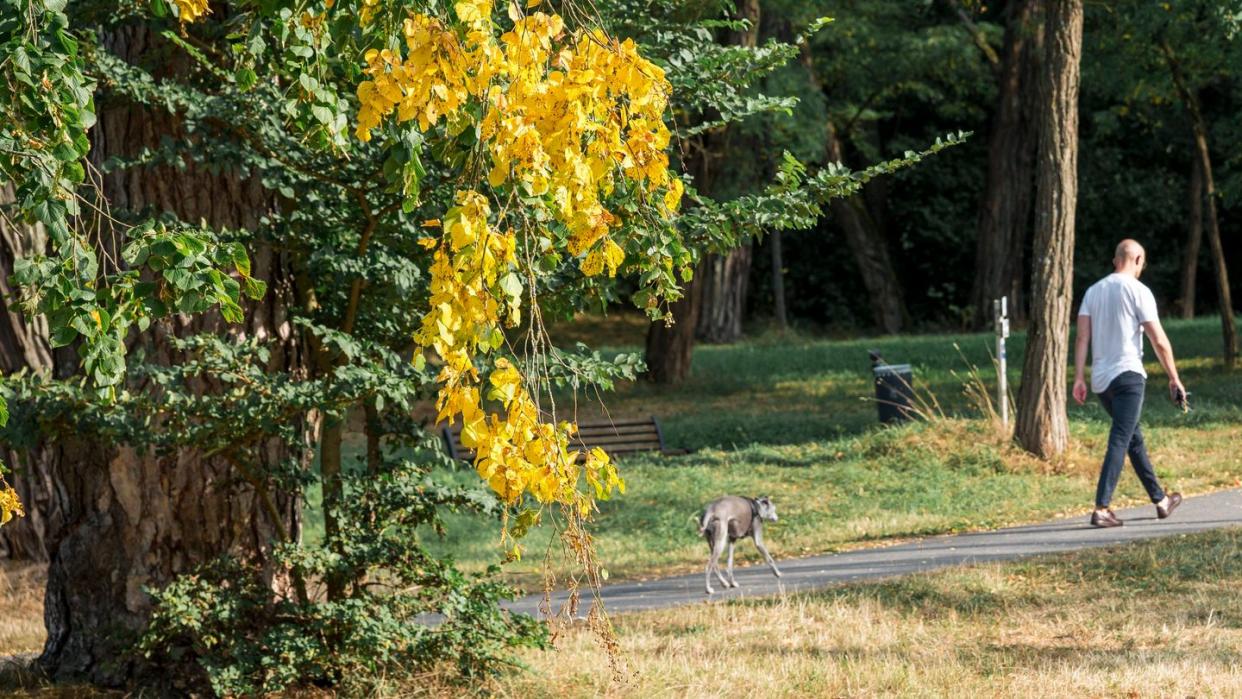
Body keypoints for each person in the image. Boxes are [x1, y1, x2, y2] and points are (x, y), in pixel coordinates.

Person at [1073, 239, 1184, 528]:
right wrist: (1174, 377)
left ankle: (1160, 500)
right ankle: (1101, 508)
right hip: (1128, 377)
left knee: (1133, 438)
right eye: (1142, 264)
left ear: (1115, 259)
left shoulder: (1092, 292)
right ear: (1136, 260)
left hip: (1101, 382)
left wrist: (1079, 377)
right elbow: (1158, 339)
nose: (1141, 269)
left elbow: (1082, 337)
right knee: (1121, 438)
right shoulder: (1138, 291)